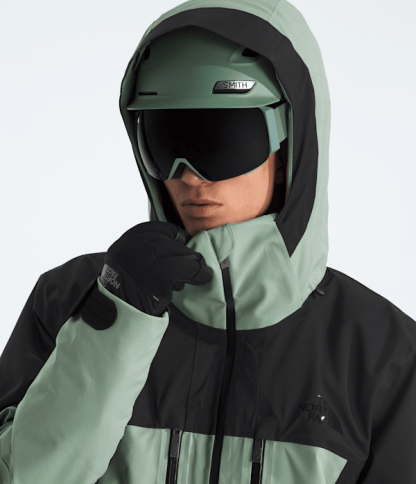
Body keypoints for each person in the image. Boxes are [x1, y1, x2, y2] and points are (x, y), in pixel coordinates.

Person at [0, 1, 415, 484]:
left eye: (224, 138)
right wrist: (113, 325)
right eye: (164, 141)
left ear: (289, 146)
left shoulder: (383, 357)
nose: (189, 176)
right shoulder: (72, 301)